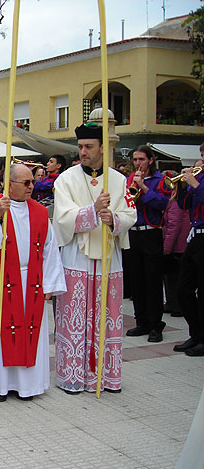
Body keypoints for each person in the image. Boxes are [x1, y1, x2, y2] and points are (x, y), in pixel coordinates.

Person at [53, 123, 136, 394]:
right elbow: (62, 219)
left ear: (103, 148)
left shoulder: (119, 180)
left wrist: (114, 218)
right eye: (80, 147)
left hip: (109, 256)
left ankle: (106, 375)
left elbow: (130, 214)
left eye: (89, 147)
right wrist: (91, 211)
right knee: (76, 315)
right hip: (77, 255)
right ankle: (74, 376)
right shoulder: (65, 179)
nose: (83, 152)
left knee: (107, 314)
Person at [0, 164, 66, 401]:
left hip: (32, 281)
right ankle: (0, 385)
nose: (32, 187)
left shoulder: (40, 212)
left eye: (32, 182)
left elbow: (49, 249)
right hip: (2, 280)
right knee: (1, 335)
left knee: (30, 333)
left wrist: (50, 284)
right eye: (26, 183)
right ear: (9, 184)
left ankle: (28, 386)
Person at [123, 145, 171, 342]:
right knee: (136, 281)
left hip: (152, 233)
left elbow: (163, 204)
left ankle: (155, 325)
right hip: (133, 233)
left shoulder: (161, 180)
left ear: (150, 160)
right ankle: (141, 322)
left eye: (141, 159)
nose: (137, 163)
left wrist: (143, 187)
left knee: (152, 281)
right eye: (135, 160)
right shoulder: (129, 179)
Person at [173, 150, 204, 357]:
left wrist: (194, 184)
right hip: (196, 237)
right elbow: (184, 206)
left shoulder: (199, 181)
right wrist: (183, 186)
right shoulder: (199, 177)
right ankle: (196, 334)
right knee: (183, 289)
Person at [161, 171, 191, 318]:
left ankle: (175, 305)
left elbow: (174, 225)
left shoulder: (175, 201)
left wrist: (166, 247)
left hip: (177, 245)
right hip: (180, 244)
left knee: (173, 278)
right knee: (173, 277)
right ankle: (173, 304)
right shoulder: (177, 199)